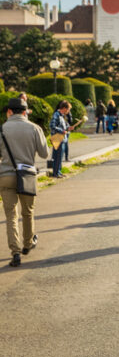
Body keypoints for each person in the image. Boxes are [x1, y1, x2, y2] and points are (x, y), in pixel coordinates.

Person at [0, 98, 50, 267]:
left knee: (11, 216)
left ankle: (15, 252)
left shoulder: (2, 129)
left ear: (9, 112)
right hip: (27, 174)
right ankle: (28, 243)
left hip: (6, 175)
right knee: (27, 212)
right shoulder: (34, 128)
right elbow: (44, 153)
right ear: (25, 111)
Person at [49, 100, 74, 178]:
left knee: (60, 156)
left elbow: (61, 126)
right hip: (58, 137)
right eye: (68, 109)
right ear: (64, 108)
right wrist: (62, 131)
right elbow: (52, 126)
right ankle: (55, 173)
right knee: (57, 156)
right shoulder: (56, 115)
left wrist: (68, 128)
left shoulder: (61, 115)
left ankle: (58, 172)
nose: (68, 111)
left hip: (62, 138)